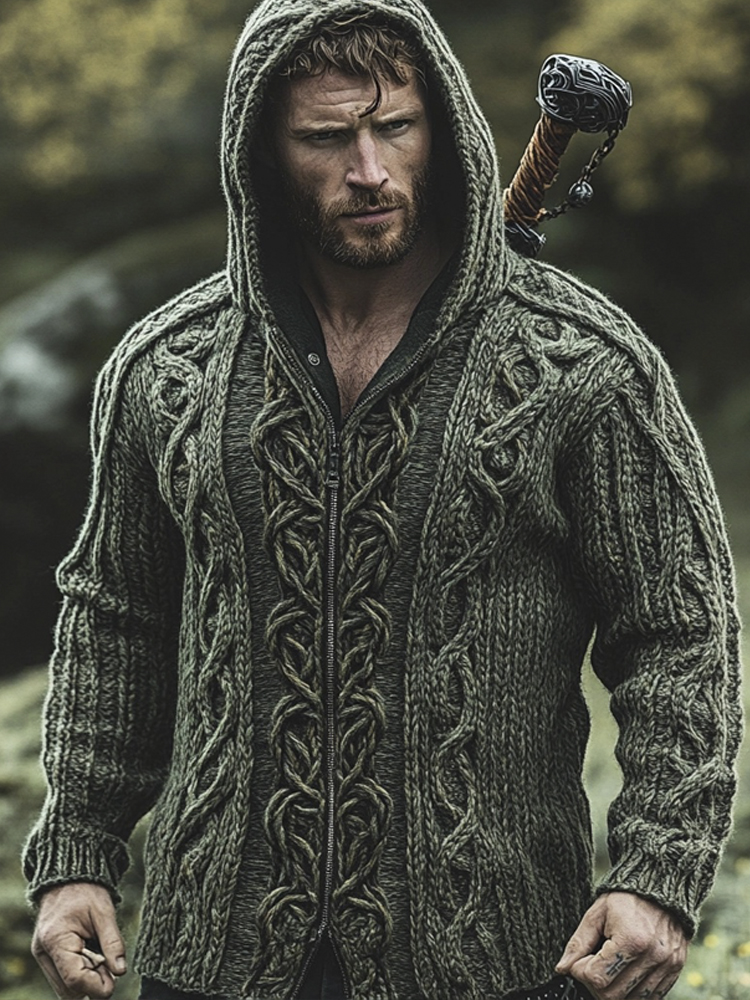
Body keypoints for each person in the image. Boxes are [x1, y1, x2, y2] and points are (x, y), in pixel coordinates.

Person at [24, 1, 742, 999]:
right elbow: (117, 622)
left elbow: (677, 630)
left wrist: (658, 871)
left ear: (440, 128)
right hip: (213, 958)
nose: (369, 170)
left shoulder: (586, 367)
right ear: (260, 155)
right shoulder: (166, 370)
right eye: (326, 138)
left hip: (494, 956)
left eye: (395, 127)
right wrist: (75, 854)